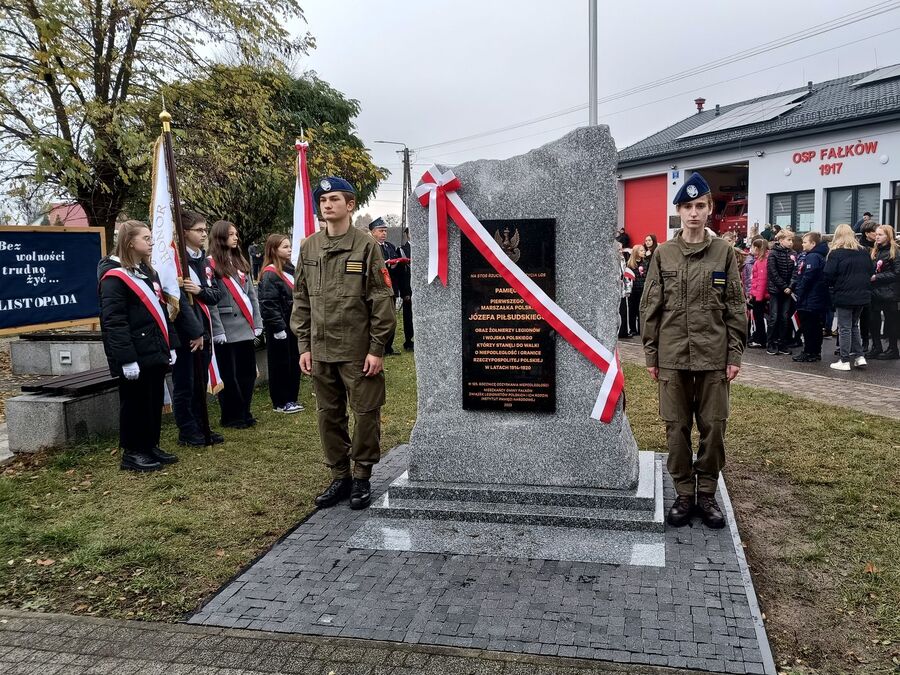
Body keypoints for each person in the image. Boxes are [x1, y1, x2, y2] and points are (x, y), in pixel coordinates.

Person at [640, 173, 746, 529]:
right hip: (672, 356)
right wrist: (652, 355)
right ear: (679, 212)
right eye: (687, 206)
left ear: (709, 209)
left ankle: (707, 494)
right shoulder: (664, 254)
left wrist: (734, 355)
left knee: (714, 427)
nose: (693, 213)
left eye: (700, 205)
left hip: (714, 356)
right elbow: (650, 307)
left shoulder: (724, 253)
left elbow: (735, 305)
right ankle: (684, 494)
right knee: (676, 428)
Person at [291, 177, 396, 510]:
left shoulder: (366, 246)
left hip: (356, 351)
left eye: (334, 199)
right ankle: (340, 476)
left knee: (365, 413)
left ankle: (362, 475)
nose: (327, 205)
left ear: (350, 205)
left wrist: (377, 349)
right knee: (328, 416)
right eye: (322, 200)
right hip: (321, 351)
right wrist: (303, 346)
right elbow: (301, 299)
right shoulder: (309, 247)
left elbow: (381, 301)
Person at [98, 220, 179, 472]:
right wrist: (126, 358)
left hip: (154, 347)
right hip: (133, 351)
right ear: (130, 242)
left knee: (153, 399)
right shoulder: (113, 275)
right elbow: (114, 320)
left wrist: (171, 345)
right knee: (134, 402)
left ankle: (150, 444)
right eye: (146, 238)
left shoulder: (146, 271)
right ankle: (133, 452)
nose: (151, 242)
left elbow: (162, 313)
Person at [172, 209, 226, 446]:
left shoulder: (203, 260)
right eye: (199, 230)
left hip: (204, 330)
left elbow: (216, 294)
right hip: (186, 333)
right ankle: (187, 430)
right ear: (184, 232)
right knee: (185, 383)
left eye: (205, 230)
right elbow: (178, 302)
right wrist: (194, 332)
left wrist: (200, 291)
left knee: (199, 381)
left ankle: (202, 424)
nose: (204, 234)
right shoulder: (174, 260)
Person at [208, 220, 263, 428]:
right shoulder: (211, 264)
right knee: (229, 376)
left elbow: (252, 295)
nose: (235, 237)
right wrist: (218, 329)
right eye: (231, 234)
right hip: (226, 328)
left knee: (247, 373)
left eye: (236, 234)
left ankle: (245, 411)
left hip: (245, 327)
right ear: (220, 237)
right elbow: (211, 302)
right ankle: (232, 416)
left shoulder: (240, 261)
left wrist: (257, 322)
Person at [258, 233, 303, 413]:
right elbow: (269, 303)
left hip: (293, 325)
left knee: (293, 362)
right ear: (273, 250)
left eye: (289, 245)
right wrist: (278, 326)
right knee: (280, 364)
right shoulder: (270, 274)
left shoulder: (289, 269)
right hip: (280, 327)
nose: (289, 249)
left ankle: (292, 398)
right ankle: (280, 401)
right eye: (284, 246)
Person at [825, 224, 874, 371]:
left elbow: (828, 274)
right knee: (854, 326)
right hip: (862, 294)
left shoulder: (836, 253)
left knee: (844, 327)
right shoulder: (863, 251)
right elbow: (870, 270)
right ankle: (859, 356)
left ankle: (844, 359)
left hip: (844, 294)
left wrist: (834, 286)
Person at [791, 232, 829, 362]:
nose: (802, 244)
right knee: (815, 326)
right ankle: (814, 351)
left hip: (810, 299)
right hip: (814, 297)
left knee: (809, 327)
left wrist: (800, 292)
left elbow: (808, 276)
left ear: (813, 243)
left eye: (805, 242)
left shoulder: (813, 257)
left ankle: (809, 351)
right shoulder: (816, 256)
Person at [868, 224, 900, 360]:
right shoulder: (875, 251)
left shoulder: (895, 251)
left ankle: (893, 349)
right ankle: (876, 346)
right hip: (874, 292)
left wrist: (877, 277)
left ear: (888, 236)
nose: (877, 237)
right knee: (873, 320)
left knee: (891, 322)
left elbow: (897, 273)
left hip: (889, 292)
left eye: (880, 234)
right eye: (876, 234)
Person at [369, 217, 399, 356]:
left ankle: (389, 347)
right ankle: (377, 347)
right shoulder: (369, 247)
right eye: (381, 231)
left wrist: (395, 265)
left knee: (391, 319)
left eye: (385, 231)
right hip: (377, 289)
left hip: (391, 287)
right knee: (378, 319)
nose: (384, 234)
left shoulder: (390, 246)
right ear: (373, 232)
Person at [765, 228, 796, 355]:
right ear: (781, 240)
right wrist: (784, 286)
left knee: (784, 317)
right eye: (789, 240)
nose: (791, 242)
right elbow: (772, 272)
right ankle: (771, 343)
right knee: (774, 317)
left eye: (792, 240)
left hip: (787, 291)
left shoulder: (793, 253)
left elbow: (795, 271)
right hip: (776, 290)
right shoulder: (773, 253)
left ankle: (783, 343)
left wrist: (791, 286)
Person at [746, 238, 769, 348]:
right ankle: (759, 337)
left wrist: (758, 297)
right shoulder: (759, 261)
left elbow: (761, 281)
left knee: (758, 318)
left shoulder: (761, 262)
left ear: (757, 248)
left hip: (759, 296)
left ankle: (761, 339)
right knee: (758, 318)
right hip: (757, 293)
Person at [398, 227, 414, 351]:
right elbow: (402, 274)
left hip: (421, 290)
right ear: (407, 235)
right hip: (409, 288)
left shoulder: (422, 247)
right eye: (410, 232)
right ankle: (409, 340)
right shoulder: (402, 250)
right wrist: (405, 292)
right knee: (408, 315)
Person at [626, 244, 647, 336]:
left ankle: (641, 329)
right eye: (641, 251)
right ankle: (633, 329)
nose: (644, 252)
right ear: (636, 253)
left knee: (641, 310)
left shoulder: (645, 263)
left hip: (643, 289)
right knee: (632, 310)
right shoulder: (630, 264)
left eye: (644, 250)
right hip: (633, 291)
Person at [617, 241, 633, 338]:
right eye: (618, 249)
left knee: (623, 311)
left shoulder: (622, 259)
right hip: (613, 291)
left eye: (620, 249)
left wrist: (628, 289)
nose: (620, 251)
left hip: (622, 289)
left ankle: (624, 331)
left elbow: (626, 276)